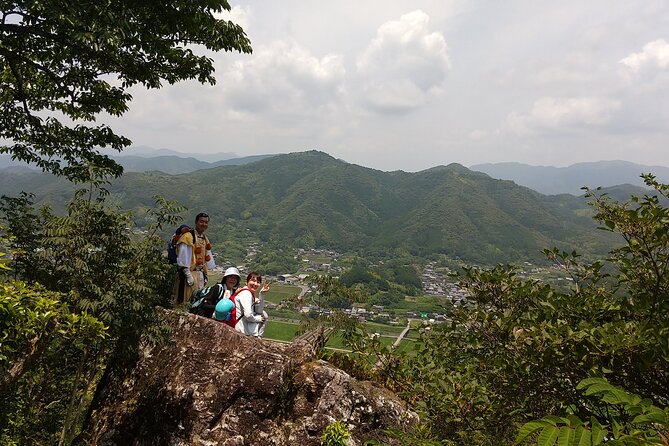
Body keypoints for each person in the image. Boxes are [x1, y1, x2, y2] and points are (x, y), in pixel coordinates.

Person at [173, 212, 215, 305]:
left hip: (200, 274)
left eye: (206, 222)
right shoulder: (188, 237)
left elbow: (207, 256)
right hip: (190, 274)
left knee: (197, 300)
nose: (204, 224)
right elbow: (183, 257)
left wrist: (205, 274)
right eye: (201, 221)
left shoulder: (204, 238)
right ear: (196, 222)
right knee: (186, 299)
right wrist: (187, 274)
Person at [234, 271, 270, 337]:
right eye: (253, 280)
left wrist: (262, 294)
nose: (255, 284)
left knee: (264, 314)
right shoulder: (246, 294)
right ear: (246, 282)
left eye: (258, 282)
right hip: (241, 332)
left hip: (244, 331)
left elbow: (259, 311)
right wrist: (258, 319)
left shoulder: (250, 294)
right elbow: (248, 315)